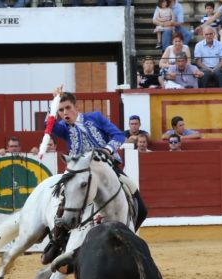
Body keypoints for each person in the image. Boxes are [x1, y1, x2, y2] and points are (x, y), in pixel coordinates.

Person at [41, 86, 148, 265]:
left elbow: (118, 134)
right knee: (64, 203)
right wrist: (52, 106)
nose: (65, 113)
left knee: (141, 208)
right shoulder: (62, 128)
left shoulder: (95, 118)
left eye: (68, 108)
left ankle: (128, 239)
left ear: (76, 107)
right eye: (61, 110)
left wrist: (107, 149)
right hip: (80, 174)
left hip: (107, 169)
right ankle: (56, 243)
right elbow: (47, 127)